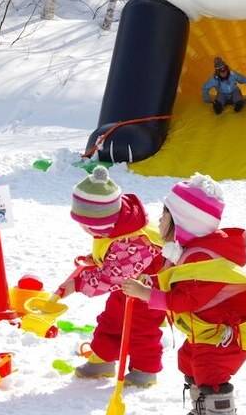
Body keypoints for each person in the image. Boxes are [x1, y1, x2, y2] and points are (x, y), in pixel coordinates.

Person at [122, 174, 246, 415]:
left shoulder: (203, 258)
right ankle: (202, 408)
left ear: (182, 221)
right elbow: (181, 283)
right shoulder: (190, 251)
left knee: (209, 370)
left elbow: (186, 299)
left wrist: (147, 294)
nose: (159, 219)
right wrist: (153, 282)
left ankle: (218, 411)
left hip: (228, 335)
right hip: (208, 329)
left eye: (165, 214)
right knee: (188, 359)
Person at [53, 166, 166, 387]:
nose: (85, 231)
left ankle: (145, 370)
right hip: (126, 285)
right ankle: (102, 360)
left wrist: (77, 284)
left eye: (88, 227)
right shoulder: (116, 225)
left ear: (103, 223)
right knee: (111, 320)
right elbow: (115, 258)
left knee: (141, 329)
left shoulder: (134, 242)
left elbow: (110, 278)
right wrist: (97, 259)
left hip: (148, 292)